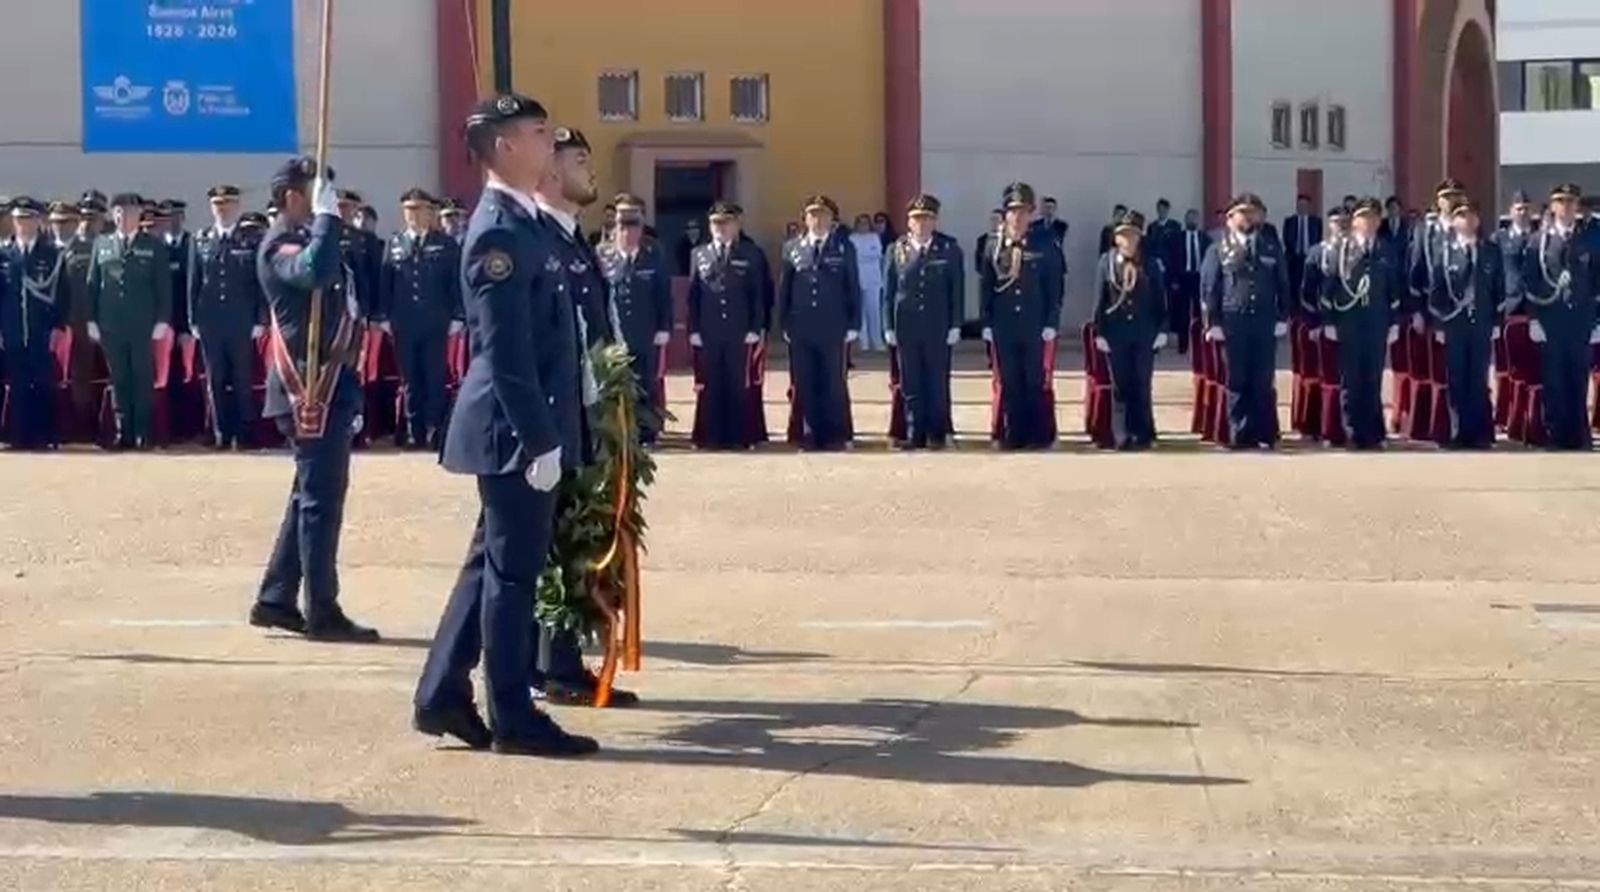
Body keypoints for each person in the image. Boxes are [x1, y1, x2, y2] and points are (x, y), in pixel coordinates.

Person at [414, 93, 598, 757]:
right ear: (507, 148)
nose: (553, 143)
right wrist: (541, 440)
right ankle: (514, 716)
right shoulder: (497, 229)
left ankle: (441, 694)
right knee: (512, 578)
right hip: (515, 432)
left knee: (485, 570)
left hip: (525, 426)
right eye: (541, 133)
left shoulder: (526, 223)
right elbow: (507, 352)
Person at [249, 156, 379, 643]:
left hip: (331, 381)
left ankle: (277, 597)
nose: (329, 200)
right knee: (322, 501)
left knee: (308, 495)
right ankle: (322, 610)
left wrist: (328, 222)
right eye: (317, 191)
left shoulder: (315, 237)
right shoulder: (279, 244)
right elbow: (314, 273)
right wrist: (325, 221)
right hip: (308, 388)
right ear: (291, 197)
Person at [1201, 192, 1291, 449]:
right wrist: (1212, 322)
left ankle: (1264, 433)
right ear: (1229, 219)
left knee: (1263, 379)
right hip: (1233, 322)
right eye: (1243, 213)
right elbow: (1209, 289)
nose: (1248, 217)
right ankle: (1239, 433)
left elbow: (1283, 284)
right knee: (1237, 379)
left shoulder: (1271, 247)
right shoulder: (1217, 249)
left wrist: (1283, 315)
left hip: (1263, 321)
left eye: (1253, 213)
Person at [377, 188, 463, 450]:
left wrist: (458, 315)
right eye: (408, 210)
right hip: (404, 322)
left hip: (435, 321)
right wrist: (383, 315)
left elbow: (455, 282)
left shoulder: (446, 244)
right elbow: (385, 282)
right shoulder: (394, 244)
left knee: (435, 377)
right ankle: (415, 431)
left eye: (418, 209)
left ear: (430, 212)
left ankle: (435, 429)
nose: (413, 215)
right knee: (410, 379)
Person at [980, 182, 1063, 450]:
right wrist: (987, 322)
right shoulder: (993, 245)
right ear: (1005, 215)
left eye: (1024, 211)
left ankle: (1037, 435)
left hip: (1034, 324)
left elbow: (1054, 286)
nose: (1018, 217)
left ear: (1032, 213)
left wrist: (1051, 321)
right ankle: (1012, 434)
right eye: (1013, 211)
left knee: (1034, 380)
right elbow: (987, 287)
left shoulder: (1045, 243)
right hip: (1005, 325)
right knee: (1010, 380)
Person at [86, 192, 172, 450]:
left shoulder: (153, 246)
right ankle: (123, 431)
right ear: (114, 215)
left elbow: (163, 287)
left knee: (142, 377)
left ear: (139, 216)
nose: (125, 218)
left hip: (142, 324)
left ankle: (143, 433)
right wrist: (91, 319)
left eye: (131, 213)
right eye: (120, 213)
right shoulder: (102, 244)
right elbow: (92, 285)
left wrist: (162, 320)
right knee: (119, 378)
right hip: (111, 324)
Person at [189, 184, 267, 450]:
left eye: (228, 205)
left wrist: (260, 319)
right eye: (218, 205)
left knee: (243, 379)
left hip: (241, 320)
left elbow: (259, 283)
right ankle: (222, 432)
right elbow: (194, 283)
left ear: (237, 207)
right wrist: (193, 320)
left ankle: (245, 433)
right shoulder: (200, 240)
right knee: (216, 379)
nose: (223, 210)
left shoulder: (251, 240)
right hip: (210, 321)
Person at [1423, 197, 1505, 449]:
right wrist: (1440, 324)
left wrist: (1496, 322)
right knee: (1457, 378)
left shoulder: (1490, 250)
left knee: (1479, 379)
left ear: (1477, 220)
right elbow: (1435, 292)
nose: (1467, 220)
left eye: (1471, 216)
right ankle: (1458, 431)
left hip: (1481, 323)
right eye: (1461, 216)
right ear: (1454, 222)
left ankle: (1480, 432)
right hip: (1454, 324)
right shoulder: (1445, 253)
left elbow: (1499, 290)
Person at [1519, 182, 1597, 450]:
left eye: (1571, 202)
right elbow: (1529, 280)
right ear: (1552, 206)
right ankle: (1556, 434)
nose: (1566, 207)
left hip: (1581, 319)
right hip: (1552, 319)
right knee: (1554, 379)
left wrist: (1597, 318)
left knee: (1578, 377)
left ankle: (1579, 435)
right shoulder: (1539, 241)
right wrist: (1534, 319)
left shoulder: (1590, 238)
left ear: (1577, 206)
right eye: (1561, 202)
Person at [1318, 198, 1400, 450]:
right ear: (1354, 222)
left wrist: (1394, 323)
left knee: (1373, 379)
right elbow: (1328, 288)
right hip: (1349, 322)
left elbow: (1395, 290)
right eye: (1364, 217)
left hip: (1376, 323)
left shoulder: (1386, 249)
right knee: (1351, 381)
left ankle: (1374, 433)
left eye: (1374, 217)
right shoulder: (1341, 250)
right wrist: (1329, 321)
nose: (1369, 222)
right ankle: (1352, 431)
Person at [779, 195, 859, 450]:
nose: (818, 220)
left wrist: (853, 324)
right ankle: (810, 433)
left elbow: (852, 288)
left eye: (823, 215)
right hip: (802, 326)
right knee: (805, 381)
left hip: (833, 326)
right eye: (813, 215)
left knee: (833, 381)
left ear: (832, 220)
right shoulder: (792, 248)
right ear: (805, 219)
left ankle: (835, 434)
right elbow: (785, 290)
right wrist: (784, 323)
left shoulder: (845, 247)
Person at [687, 202, 768, 449]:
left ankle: (738, 436)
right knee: (709, 384)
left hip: (739, 329)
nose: (720, 228)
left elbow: (759, 294)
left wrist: (756, 327)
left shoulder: (750, 253)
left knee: (737, 383)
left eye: (725, 223)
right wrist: (694, 329)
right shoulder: (699, 254)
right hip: (709, 330)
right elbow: (694, 296)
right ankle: (709, 436)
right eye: (715, 223)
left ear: (736, 225)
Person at [884, 194, 962, 450]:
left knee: (937, 381)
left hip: (937, 326)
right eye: (917, 219)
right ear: (909, 222)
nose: (922, 223)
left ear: (935, 221)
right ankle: (914, 432)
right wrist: (888, 326)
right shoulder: (896, 250)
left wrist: (955, 324)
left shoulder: (949, 249)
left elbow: (957, 290)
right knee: (911, 382)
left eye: (927, 218)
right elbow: (889, 291)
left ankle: (937, 433)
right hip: (906, 326)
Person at [596, 192, 672, 444]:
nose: (628, 232)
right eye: (622, 225)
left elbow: (663, 291)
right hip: (612, 333)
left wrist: (664, 326)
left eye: (633, 225)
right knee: (612, 385)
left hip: (645, 329)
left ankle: (646, 432)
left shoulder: (654, 252)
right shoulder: (602, 254)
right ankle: (615, 433)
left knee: (645, 383)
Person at [1091, 210, 1167, 450]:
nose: (1128, 240)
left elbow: (1159, 299)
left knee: (1142, 384)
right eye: (1123, 235)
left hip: (1144, 332)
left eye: (1133, 235)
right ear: (1115, 238)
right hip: (1117, 333)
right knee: (1120, 385)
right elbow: (1099, 300)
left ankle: (1143, 433)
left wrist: (1162, 328)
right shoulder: (1106, 262)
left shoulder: (1150, 263)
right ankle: (1121, 435)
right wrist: (1099, 332)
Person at [536, 127, 613, 349]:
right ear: (552, 171)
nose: (592, 172)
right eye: (581, 162)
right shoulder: (532, 238)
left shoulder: (577, 240)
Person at [3, 198, 67, 449]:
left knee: (42, 382)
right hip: (13, 328)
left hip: (42, 329)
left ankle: (44, 436)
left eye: (28, 219)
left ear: (38, 221)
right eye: (19, 220)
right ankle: (19, 436)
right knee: (18, 383)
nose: (23, 225)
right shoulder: (4, 255)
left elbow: (62, 293)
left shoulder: (51, 254)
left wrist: (59, 326)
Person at [1168, 208, 1210, 355]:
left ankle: (1200, 345)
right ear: (1185, 220)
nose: (1193, 221)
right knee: (1182, 313)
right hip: (1183, 278)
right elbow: (1171, 260)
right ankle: (1183, 345)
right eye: (1190, 218)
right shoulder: (1177, 238)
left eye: (1195, 218)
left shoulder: (1205, 238)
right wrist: (1173, 279)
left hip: (1199, 278)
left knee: (1200, 313)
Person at [848, 213, 885, 352]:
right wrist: (866, 255)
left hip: (873, 278)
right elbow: (854, 256)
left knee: (874, 311)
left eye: (865, 223)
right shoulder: (852, 238)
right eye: (860, 223)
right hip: (858, 278)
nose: (863, 225)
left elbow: (878, 254)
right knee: (861, 311)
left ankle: (877, 340)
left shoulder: (874, 237)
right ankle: (864, 341)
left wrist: (864, 255)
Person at [1494, 191, 1536, 310]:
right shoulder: (1499, 239)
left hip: (1536, 303)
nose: (1523, 213)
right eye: (1519, 209)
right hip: (1509, 302)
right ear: (1511, 211)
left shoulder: (1540, 238)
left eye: (1526, 209)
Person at [1281, 194, 1322, 301]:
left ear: (1308, 206)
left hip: (1310, 257)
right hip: (1294, 258)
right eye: (1300, 205)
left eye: (1304, 205)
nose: (1302, 207)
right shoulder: (1290, 221)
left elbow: (1318, 238)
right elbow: (1286, 239)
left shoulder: (1316, 222)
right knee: (1294, 284)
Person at [974, 209, 1002, 275]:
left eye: (997, 219)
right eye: (992, 219)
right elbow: (978, 264)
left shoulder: (1008, 240)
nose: (994, 222)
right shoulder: (982, 240)